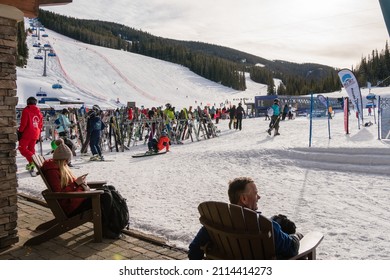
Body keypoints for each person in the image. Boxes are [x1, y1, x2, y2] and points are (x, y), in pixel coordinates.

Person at [188, 177, 302, 260]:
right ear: (244, 199)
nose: (259, 197)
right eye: (256, 193)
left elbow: (194, 249)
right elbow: (292, 248)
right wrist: (296, 236)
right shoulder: (265, 226)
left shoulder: (216, 222)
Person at [41, 138, 120, 239]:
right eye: (66, 161)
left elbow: (69, 186)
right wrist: (76, 184)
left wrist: (80, 183)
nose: (67, 163)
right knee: (106, 196)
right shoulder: (52, 171)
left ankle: (111, 225)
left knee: (109, 189)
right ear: (63, 159)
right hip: (71, 206)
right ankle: (106, 229)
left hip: (76, 199)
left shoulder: (60, 168)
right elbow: (59, 193)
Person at [18, 96, 43, 172]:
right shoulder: (39, 111)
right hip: (36, 133)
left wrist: (20, 131)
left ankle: (33, 159)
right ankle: (31, 164)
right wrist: (39, 135)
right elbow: (40, 124)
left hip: (27, 133)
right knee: (31, 149)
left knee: (22, 148)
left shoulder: (26, 110)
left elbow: (24, 123)